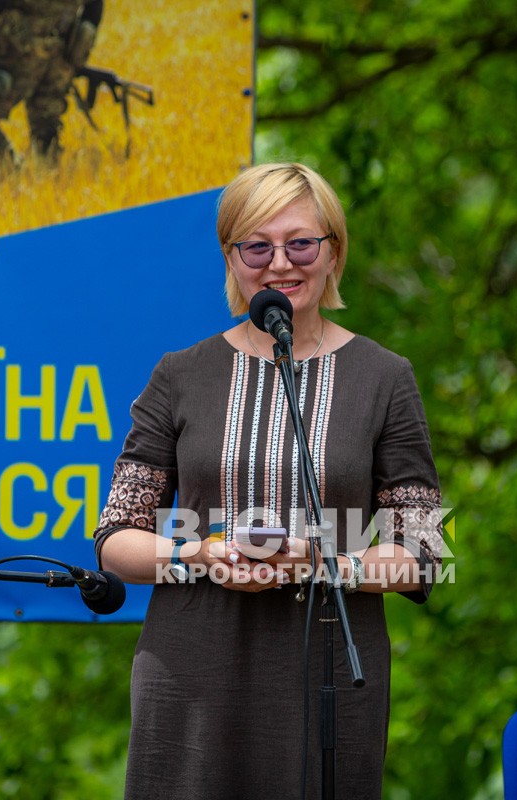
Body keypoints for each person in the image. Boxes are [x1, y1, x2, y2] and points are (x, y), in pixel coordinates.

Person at [93, 162, 446, 799]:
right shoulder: (180, 373)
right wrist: (201, 556)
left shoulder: (384, 377)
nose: (279, 263)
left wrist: (322, 564)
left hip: (329, 670)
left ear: (333, 252)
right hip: (192, 668)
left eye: (300, 243)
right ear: (231, 259)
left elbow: (421, 555)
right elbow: (115, 540)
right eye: (256, 245)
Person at [0, 0, 103, 168]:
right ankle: (48, 179)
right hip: (60, 55)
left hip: (17, 52)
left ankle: (10, 175)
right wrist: (80, 45)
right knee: (46, 124)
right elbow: (94, 7)